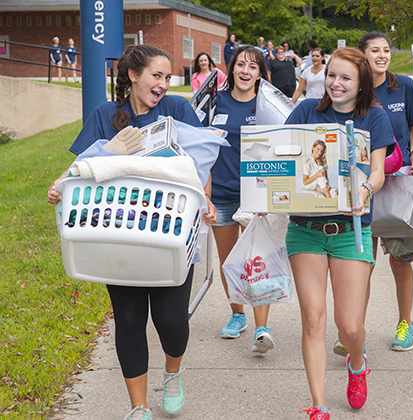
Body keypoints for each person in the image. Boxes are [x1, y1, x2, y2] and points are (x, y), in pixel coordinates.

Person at [47, 44, 219, 420]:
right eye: (156, 75)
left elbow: (200, 162)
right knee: (128, 320)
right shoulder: (106, 115)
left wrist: (205, 200)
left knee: (171, 322)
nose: (163, 83)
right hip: (119, 231)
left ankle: (172, 374)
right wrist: (61, 184)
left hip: (171, 231)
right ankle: (138, 407)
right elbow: (83, 166)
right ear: (133, 76)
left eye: (167, 77)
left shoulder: (176, 109)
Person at [285, 47, 396, 420]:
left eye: (345, 77)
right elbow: (283, 157)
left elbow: (378, 171)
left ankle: (357, 361)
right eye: (331, 75)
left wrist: (365, 191)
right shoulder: (305, 112)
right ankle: (318, 406)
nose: (336, 83)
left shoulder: (375, 117)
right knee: (313, 319)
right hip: (305, 229)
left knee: (349, 326)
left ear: (361, 82)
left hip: (352, 229)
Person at [356, 30, 413, 352]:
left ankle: (406, 324)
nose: (382, 55)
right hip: (362, 187)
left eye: (386, 50)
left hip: (397, 182)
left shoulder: (404, 87)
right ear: (363, 56)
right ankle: (354, 327)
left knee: (400, 260)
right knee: (360, 263)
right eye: (375, 50)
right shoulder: (355, 90)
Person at [208, 45, 277, 354]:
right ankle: (238, 315)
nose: (245, 71)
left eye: (252, 67)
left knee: (256, 261)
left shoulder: (267, 107)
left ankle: (262, 327)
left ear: (260, 73)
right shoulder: (214, 102)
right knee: (229, 262)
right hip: (221, 194)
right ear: (231, 68)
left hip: (254, 196)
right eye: (240, 65)